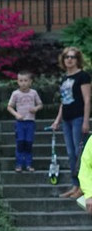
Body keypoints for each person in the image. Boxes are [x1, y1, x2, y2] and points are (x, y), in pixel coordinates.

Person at [50, 47, 91, 199]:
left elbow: (87, 99)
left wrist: (86, 120)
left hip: (78, 118)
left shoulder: (83, 76)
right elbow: (64, 101)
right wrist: (57, 120)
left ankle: (82, 186)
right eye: (67, 56)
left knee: (78, 153)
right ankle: (75, 185)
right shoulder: (64, 78)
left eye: (73, 57)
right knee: (70, 153)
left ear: (77, 59)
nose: (69, 59)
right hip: (66, 119)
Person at [7, 72, 42, 173]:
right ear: (17, 82)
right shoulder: (15, 94)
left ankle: (28, 164)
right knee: (20, 143)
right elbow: (9, 107)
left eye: (25, 80)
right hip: (20, 122)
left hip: (30, 122)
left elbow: (40, 104)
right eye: (21, 81)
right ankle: (19, 165)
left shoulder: (33, 93)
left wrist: (35, 109)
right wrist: (16, 114)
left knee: (28, 143)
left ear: (30, 81)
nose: (23, 83)